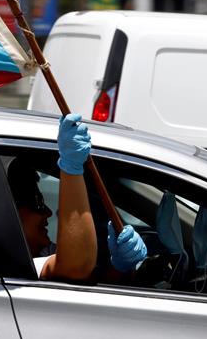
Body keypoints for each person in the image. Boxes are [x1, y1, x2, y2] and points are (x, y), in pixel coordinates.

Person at [9, 113, 147, 281]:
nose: (48, 212)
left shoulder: (47, 252)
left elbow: (93, 282)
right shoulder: (7, 265)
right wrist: (71, 169)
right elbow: (76, 266)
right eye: (38, 203)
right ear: (10, 211)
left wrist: (121, 268)